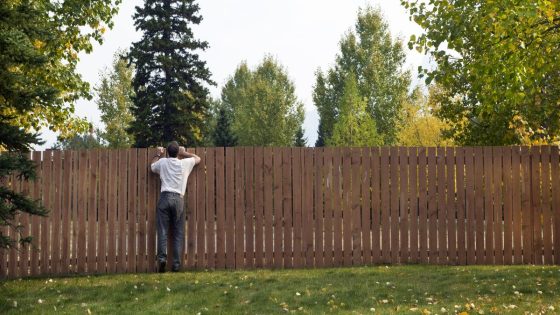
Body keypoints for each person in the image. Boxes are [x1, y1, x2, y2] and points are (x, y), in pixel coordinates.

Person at [150, 141, 201, 272]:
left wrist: (158, 153)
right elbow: (197, 158)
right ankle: (176, 264)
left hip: (165, 197)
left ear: (167, 151)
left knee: (162, 231)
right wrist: (184, 153)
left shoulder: (162, 162)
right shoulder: (185, 163)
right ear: (177, 152)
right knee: (178, 233)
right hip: (178, 199)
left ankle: (162, 259)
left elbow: (152, 167)